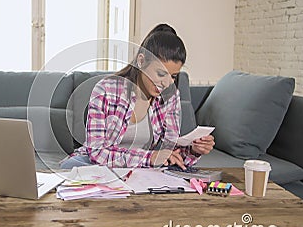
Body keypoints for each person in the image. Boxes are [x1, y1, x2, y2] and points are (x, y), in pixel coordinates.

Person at [60, 24, 214, 169]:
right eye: (161, 74)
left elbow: (169, 153)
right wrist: (150, 158)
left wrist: (194, 150)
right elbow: (97, 153)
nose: (167, 83)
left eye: (173, 76)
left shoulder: (171, 96)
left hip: (141, 170)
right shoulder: (106, 89)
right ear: (141, 61)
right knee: (72, 167)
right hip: (99, 165)